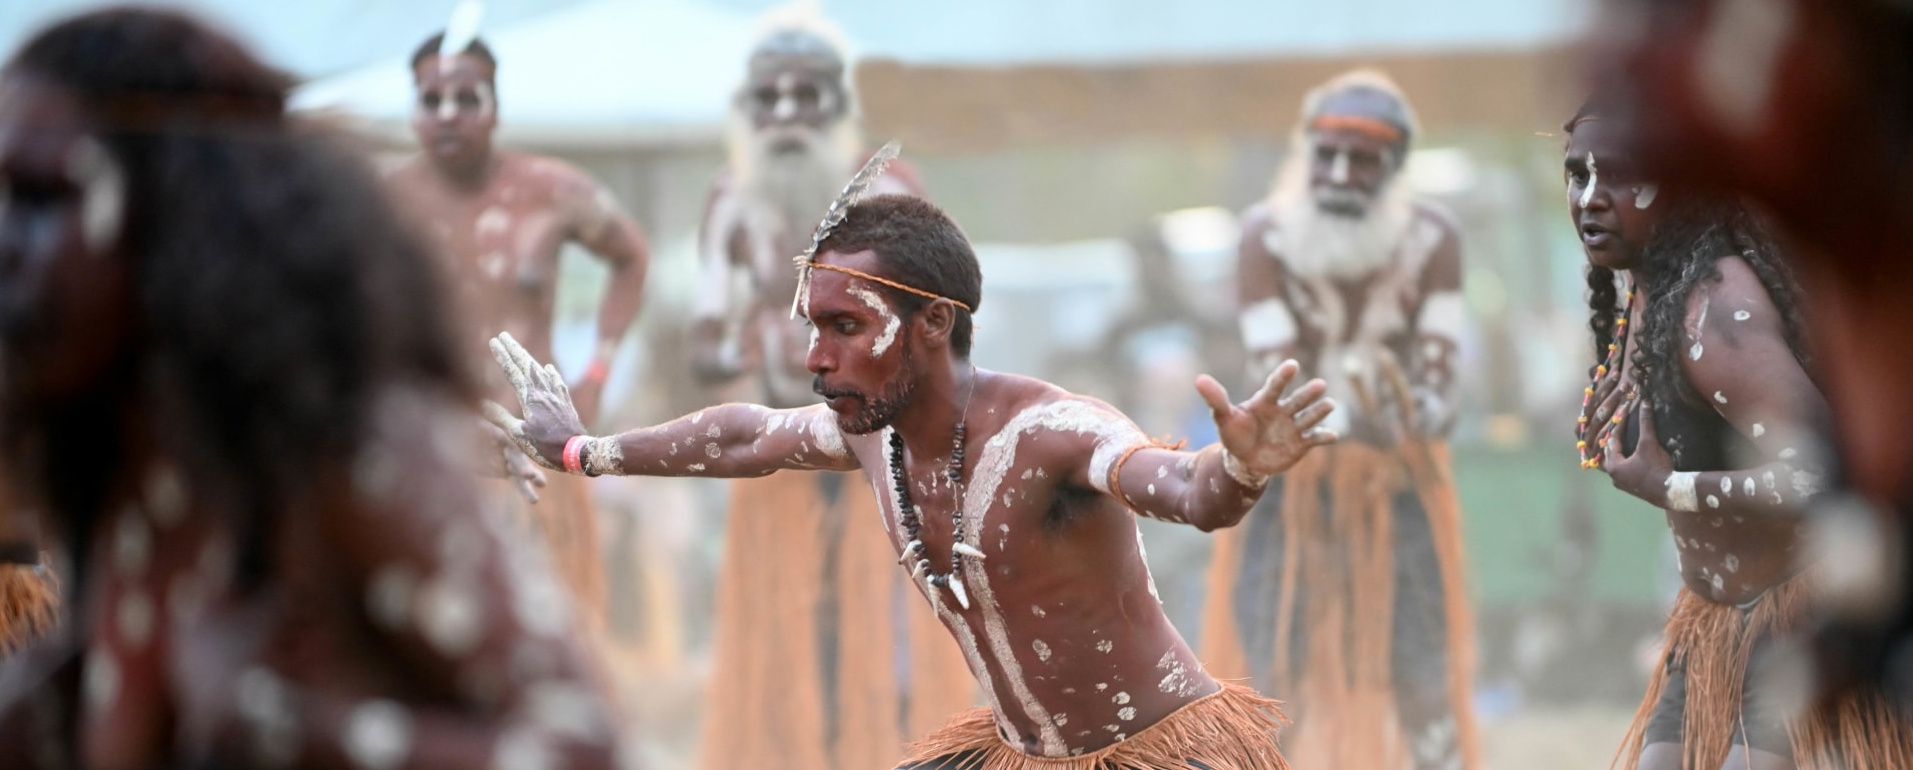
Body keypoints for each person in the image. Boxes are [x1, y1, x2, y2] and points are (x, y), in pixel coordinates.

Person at [488, 161, 1338, 768]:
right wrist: (578, 448)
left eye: (844, 327)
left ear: (933, 322)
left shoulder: (1054, 433)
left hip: (1155, 757)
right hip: (1017, 755)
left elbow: (1191, 492)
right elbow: (746, 436)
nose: (814, 357)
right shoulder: (873, 434)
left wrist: (1242, 469)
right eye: (812, 326)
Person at [0, 6, 629, 768]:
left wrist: (282, 727)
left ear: (175, 208)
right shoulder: (122, 474)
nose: (1, 243)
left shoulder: (346, 452)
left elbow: (588, 749)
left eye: (40, 199)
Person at [1579, 0, 1913, 712]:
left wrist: (1670, 487)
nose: (1610, 55)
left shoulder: (1719, 304)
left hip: (1783, 613)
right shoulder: (1662, 291)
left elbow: (1807, 482)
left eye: (1670, 2)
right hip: (1735, 625)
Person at [685, 0, 965, 770]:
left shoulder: (886, 193)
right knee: (786, 627)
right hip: (777, 458)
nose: (785, 114)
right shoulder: (730, 199)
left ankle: (887, 752)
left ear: (836, 104)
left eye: (803, 95)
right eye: (768, 97)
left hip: (877, 450)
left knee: (881, 626)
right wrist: (736, 341)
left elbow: (942, 327)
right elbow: (704, 341)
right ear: (747, 107)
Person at [1198, 69, 1479, 770]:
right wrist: (1377, 417)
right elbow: (1282, 386)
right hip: (1288, 485)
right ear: (1306, 154)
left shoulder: (1435, 236)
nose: (1340, 173)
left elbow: (1440, 388)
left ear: (1395, 166)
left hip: (1399, 483)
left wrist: (1423, 414)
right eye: (1327, 155)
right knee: (1273, 681)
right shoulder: (1264, 235)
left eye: (1363, 159)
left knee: (1421, 679)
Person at [383, 0, 650, 632]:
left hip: (539, 456)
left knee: (557, 631)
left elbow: (631, 257)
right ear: (414, 110)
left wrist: (598, 370)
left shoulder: (551, 192)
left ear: (495, 108)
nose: (448, 114)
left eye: (467, 98)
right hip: (435, 455)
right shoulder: (385, 203)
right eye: (431, 100)